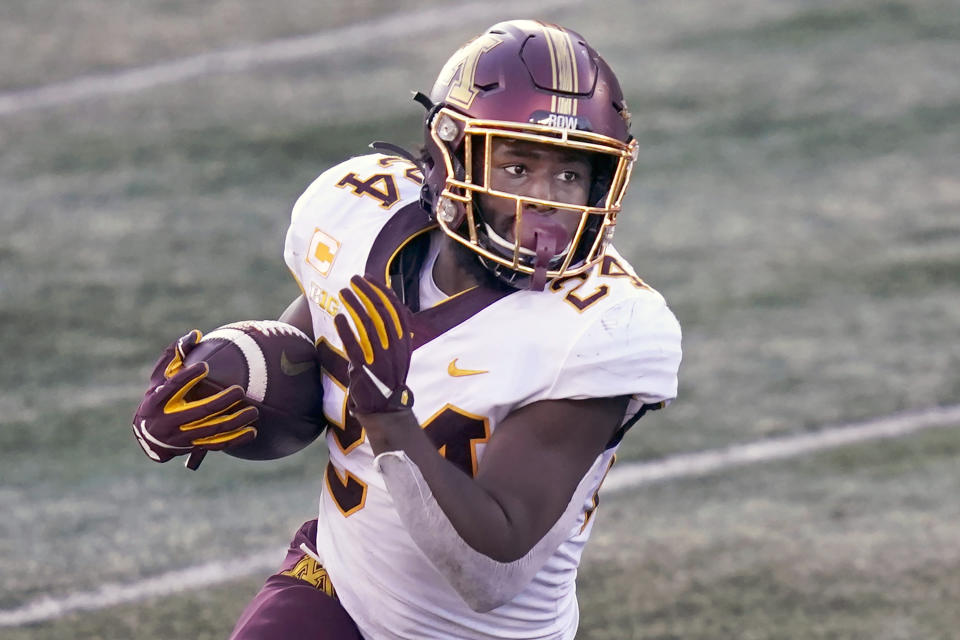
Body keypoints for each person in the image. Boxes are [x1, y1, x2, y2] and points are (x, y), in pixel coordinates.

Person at [132, 19, 682, 640]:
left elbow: (488, 572)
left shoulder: (602, 326)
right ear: (452, 157)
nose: (547, 200)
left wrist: (391, 421)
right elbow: (306, 370)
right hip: (337, 589)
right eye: (518, 167)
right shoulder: (358, 215)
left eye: (571, 174)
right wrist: (217, 390)